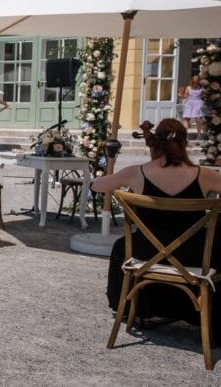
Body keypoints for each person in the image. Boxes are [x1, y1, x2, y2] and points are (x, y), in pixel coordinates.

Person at [94, 119, 221, 336]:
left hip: (146, 253)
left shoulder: (137, 172)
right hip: (194, 255)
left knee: (120, 246)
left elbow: (98, 186)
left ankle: (130, 307)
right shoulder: (205, 175)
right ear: (184, 144)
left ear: (155, 143)